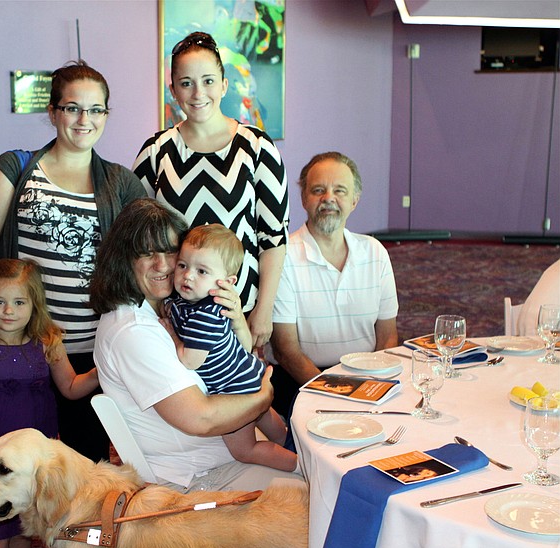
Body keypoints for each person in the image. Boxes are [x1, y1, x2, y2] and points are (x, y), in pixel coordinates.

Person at [0, 60, 146, 463]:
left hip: (89, 349)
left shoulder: (121, 183)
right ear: (53, 112)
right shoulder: (14, 168)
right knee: (16, 460)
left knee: (84, 462)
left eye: (96, 110)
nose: (85, 120)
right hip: (22, 345)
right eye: (72, 108)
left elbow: (148, 255)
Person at [89, 198, 304, 493]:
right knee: (325, 492)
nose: (163, 265)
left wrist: (237, 318)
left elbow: (238, 347)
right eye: (147, 253)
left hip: (223, 455)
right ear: (124, 258)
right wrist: (263, 397)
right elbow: (201, 419)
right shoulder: (132, 332)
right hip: (201, 477)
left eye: (170, 251)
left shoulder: (172, 305)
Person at [133, 31, 290, 350]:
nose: (198, 93)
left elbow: (273, 238)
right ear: (173, 90)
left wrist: (264, 310)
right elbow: (138, 238)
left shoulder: (257, 147)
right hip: (174, 314)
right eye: (186, 83)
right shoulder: (156, 151)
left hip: (238, 313)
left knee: (239, 382)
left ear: (224, 85)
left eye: (208, 81)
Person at [0, 259, 99, 548]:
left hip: (30, 455)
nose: (9, 311)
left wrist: (101, 371)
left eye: (19, 302)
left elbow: (70, 387)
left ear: (35, 304)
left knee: (22, 529)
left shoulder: (47, 343)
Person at [269, 152, 399, 423]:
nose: (328, 198)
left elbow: (387, 337)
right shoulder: (283, 256)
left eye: (340, 190)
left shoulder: (375, 252)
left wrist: (371, 387)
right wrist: (338, 395)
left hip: (367, 379)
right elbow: (285, 350)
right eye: (318, 190)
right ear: (304, 199)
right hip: (300, 382)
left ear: (354, 200)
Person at [163, 223, 296, 471]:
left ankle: (300, 467)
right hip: (246, 377)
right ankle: (293, 448)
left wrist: (171, 335)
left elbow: (190, 360)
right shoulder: (192, 301)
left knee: (245, 450)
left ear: (227, 282)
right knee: (277, 431)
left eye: (202, 271)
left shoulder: (205, 313)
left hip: (233, 390)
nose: (188, 275)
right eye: (182, 265)